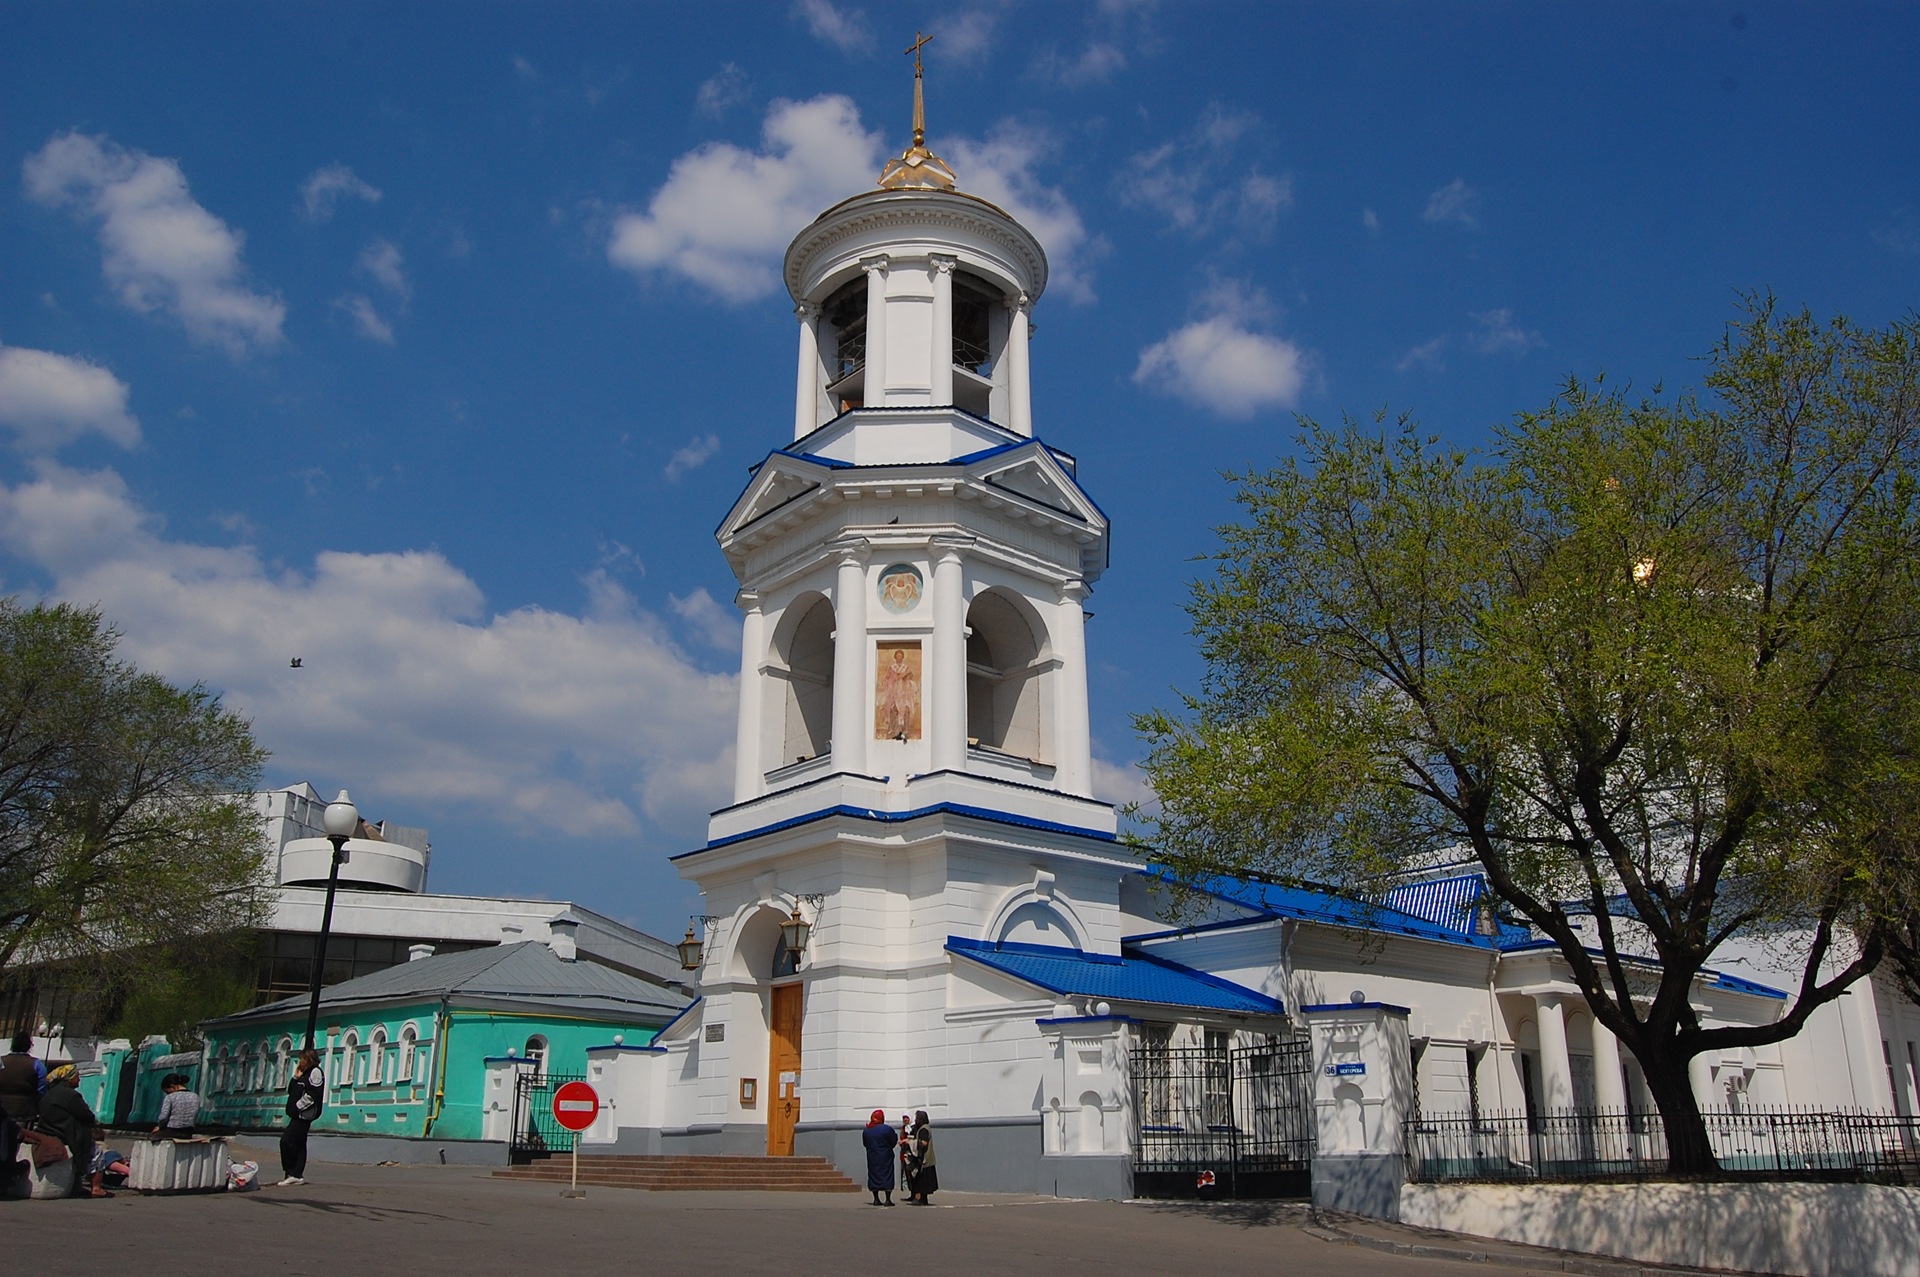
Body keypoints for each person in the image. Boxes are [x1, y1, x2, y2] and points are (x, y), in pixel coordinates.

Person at [40, 1064, 107, 1197]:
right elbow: (86, 1116)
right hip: (67, 1134)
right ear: (69, 1078)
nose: (79, 1079)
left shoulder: (48, 1095)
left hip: (48, 1132)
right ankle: (96, 1188)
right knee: (97, 1152)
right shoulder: (71, 1096)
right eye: (77, 1077)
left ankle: (76, 1184)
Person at [277, 1047, 324, 1186]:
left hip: (304, 1115)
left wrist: (298, 1106)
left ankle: (292, 1171)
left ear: (308, 1059)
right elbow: (291, 1090)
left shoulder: (315, 1072)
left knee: (286, 1140)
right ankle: (296, 1174)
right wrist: (295, 1077)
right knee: (299, 1143)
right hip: (297, 1114)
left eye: (302, 1059)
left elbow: (314, 1094)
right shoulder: (304, 1073)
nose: (300, 1062)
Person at [0, 1032, 45, 1124]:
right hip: (25, 1113)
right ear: (29, 1046)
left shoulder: (1, 1061)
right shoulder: (37, 1064)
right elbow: (41, 1090)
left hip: (2, 1110)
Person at [861, 1108, 898, 1206]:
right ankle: (888, 1199)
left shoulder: (867, 1130)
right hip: (885, 1156)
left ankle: (876, 1199)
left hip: (872, 1156)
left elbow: (865, 1143)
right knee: (887, 1175)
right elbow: (893, 1141)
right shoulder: (886, 1129)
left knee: (873, 1175)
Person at [151, 1072, 201, 1137]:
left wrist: (160, 1127)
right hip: (188, 1133)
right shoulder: (195, 1096)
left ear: (172, 1086)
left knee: (151, 1136)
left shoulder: (170, 1097)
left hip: (172, 1131)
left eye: (167, 1091)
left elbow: (163, 1118)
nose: (167, 1094)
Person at [906, 1109, 937, 1204]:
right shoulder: (923, 1128)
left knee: (922, 1180)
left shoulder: (924, 1129)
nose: (915, 1120)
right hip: (923, 1158)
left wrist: (910, 1142)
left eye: (917, 1118)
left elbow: (924, 1143)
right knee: (921, 1179)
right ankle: (922, 1199)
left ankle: (921, 1198)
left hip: (924, 1159)